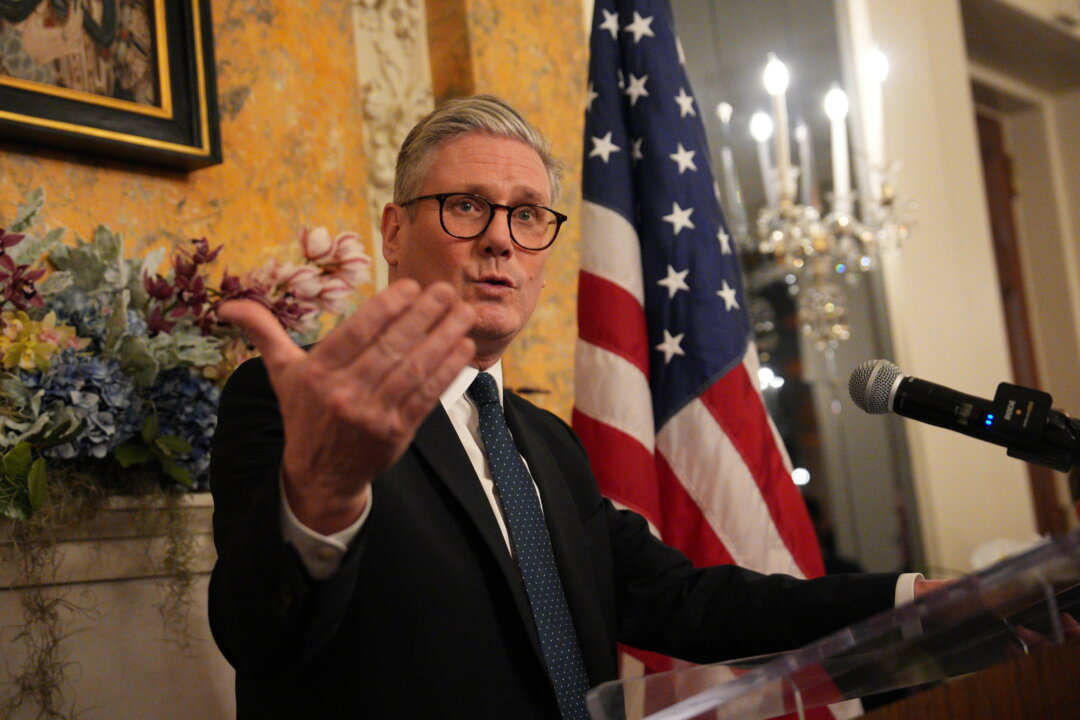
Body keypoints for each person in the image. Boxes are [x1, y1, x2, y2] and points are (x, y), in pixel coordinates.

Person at [209, 95, 936, 720]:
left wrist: (914, 600)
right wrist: (321, 500)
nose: (500, 239)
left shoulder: (548, 443)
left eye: (527, 215)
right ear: (393, 231)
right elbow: (258, 636)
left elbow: (683, 600)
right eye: (467, 206)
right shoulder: (300, 404)